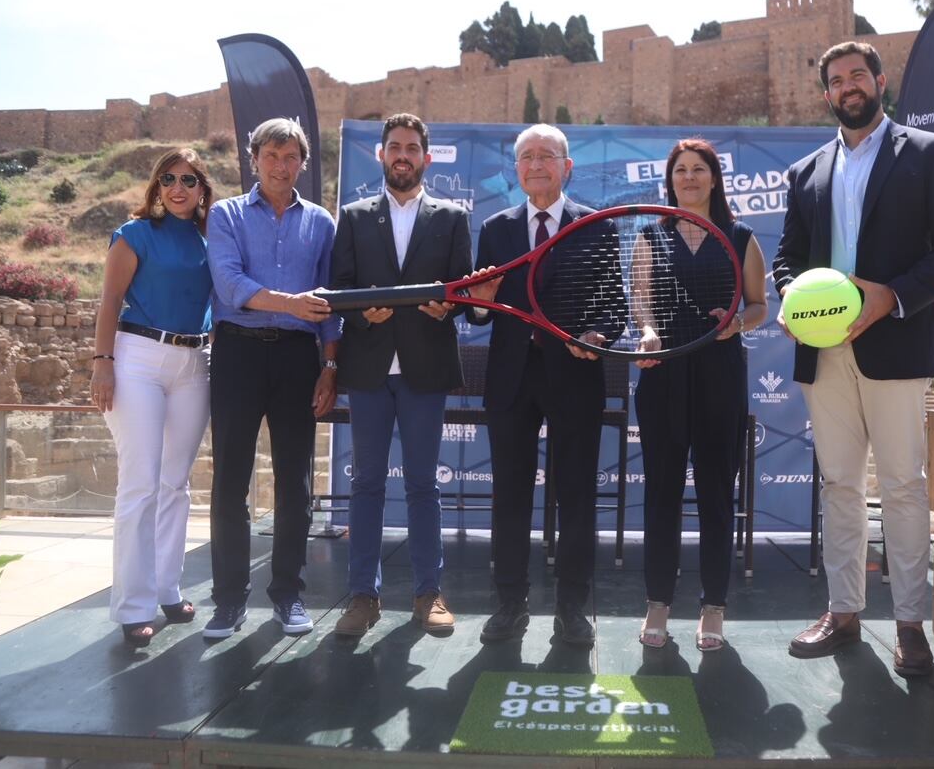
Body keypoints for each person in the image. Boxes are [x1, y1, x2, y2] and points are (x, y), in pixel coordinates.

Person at [773, 42, 934, 676]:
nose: (848, 87)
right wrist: (790, 296)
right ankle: (843, 611)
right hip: (824, 353)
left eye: (857, 75)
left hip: (896, 342)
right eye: (835, 81)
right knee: (839, 485)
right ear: (827, 94)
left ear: (879, 82)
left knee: (903, 487)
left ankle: (911, 623)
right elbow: (787, 257)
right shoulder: (806, 172)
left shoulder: (930, 153)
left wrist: (894, 296)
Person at [468, 124, 626, 646]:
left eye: (546, 156)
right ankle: (510, 603)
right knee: (509, 497)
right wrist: (481, 299)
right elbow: (480, 315)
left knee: (576, 496)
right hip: (511, 381)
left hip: (574, 377)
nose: (536, 164)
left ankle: (571, 609)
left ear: (567, 167)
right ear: (517, 170)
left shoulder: (596, 227)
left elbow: (616, 308)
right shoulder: (495, 228)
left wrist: (599, 334)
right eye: (526, 157)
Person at [329, 114, 472, 637]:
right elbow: (338, 287)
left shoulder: (452, 217)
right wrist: (361, 313)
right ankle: (363, 598)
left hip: (424, 370)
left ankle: (427, 594)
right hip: (368, 369)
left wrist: (447, 310)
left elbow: (459, 290)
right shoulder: (355, 215)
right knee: (365, 484)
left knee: (421, 485)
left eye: (413, 147)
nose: (403, 155)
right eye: (395, 147)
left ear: (426, 158)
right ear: (382, 156)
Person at [203, 117, 341, 638]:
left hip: (297, 359)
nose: (281, 166)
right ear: (254, 158)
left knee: (295, 484)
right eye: (271, 156)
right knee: (230, 482)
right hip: (237, 353)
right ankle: (229, 601)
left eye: (291, 157)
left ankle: (288, 595)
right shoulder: (226, 215)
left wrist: (330, 365)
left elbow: (332, 306)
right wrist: (292, 303)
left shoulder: (321, 223)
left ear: (303, 163)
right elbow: (231, 283)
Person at [633, 138, 767, 652]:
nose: (688, 178)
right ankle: (658, 603)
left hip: (719, 375)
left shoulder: (740, 236)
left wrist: (736, 323)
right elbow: (641, 301)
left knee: (716, 496)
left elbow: (758, 306)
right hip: (662, 375)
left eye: (698, 169)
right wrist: (646, 332)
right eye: (680, 170)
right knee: (661, 495)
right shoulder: (650, 235)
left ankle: (714, 607)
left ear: (714, 177)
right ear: (670, 181)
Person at [92, 148, 214, 647]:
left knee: (176, 482)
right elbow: (109, 301)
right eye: (168, 178)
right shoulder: (134, 234)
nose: (178, 187)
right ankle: (132, 606)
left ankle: (166, 587)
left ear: (203, 188)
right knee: (140, 483)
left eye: (188, 179)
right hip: (137, 356)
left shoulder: (214, 237)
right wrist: (103, 363)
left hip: (194, 363)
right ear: (156, 186)